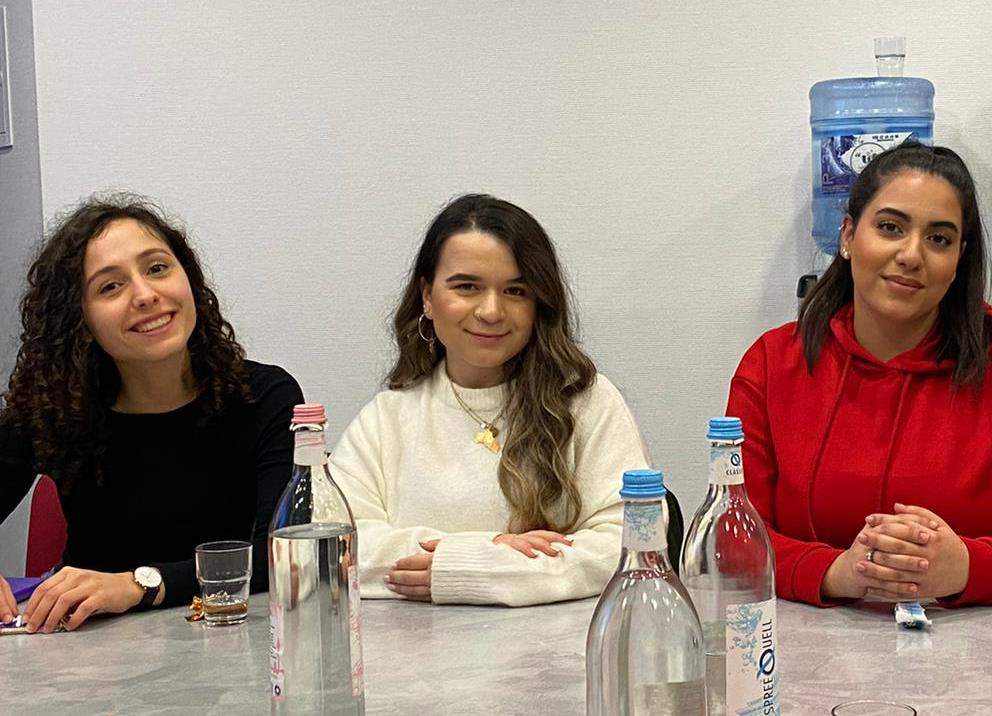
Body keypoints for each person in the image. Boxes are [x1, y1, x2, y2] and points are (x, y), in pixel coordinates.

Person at [329, 194, 679, 607]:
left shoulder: (587, 402)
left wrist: (479, 570)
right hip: (412, 646)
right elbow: (335, 549)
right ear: (427, 297)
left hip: (561, 644)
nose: (491, 311)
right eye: (467, 287)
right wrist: (484, 549)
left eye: (515, 290)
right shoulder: (387, 417)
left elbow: (631, 541)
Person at [0, 195, 303, 631]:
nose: (145, 296)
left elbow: (284, 554)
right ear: (79, 319)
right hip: (88, 651)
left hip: (233, 636)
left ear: (189, 279)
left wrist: (140, 585)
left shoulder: (266, 397)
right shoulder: (54, 410)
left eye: (157, 268)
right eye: (110, 287)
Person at [727, 143, 992, 607]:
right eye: (890, 227)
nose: (911, 255)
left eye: (939, 239)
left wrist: (967, 567)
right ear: (848, 235)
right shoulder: (771, 364)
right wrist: (839, 573)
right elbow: (732, 539)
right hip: (805, 639)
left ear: (958, 260)